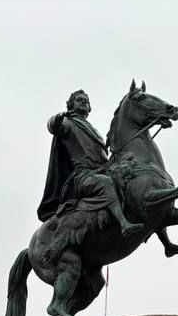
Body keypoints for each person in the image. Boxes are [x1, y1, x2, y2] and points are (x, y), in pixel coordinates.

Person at [38, 89, 142, 238]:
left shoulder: (93, 129)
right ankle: (124, 224)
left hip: (100, 171)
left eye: (85, 100)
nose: (83, 102)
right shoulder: (69, 123)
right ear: (71, 105)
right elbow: (53, 127)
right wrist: (57, 118)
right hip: (83, 177)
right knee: (106, 183)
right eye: (79, 100)